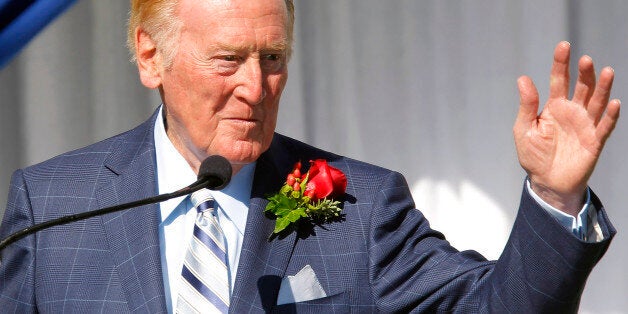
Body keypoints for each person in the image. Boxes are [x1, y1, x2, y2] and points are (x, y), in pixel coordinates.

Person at [0, 0, 620, 312]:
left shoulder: (355, 205)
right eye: (227, 59)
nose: (255, 86)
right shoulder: (55, 208)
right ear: (148, 56)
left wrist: (555, 198)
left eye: (272, 59)